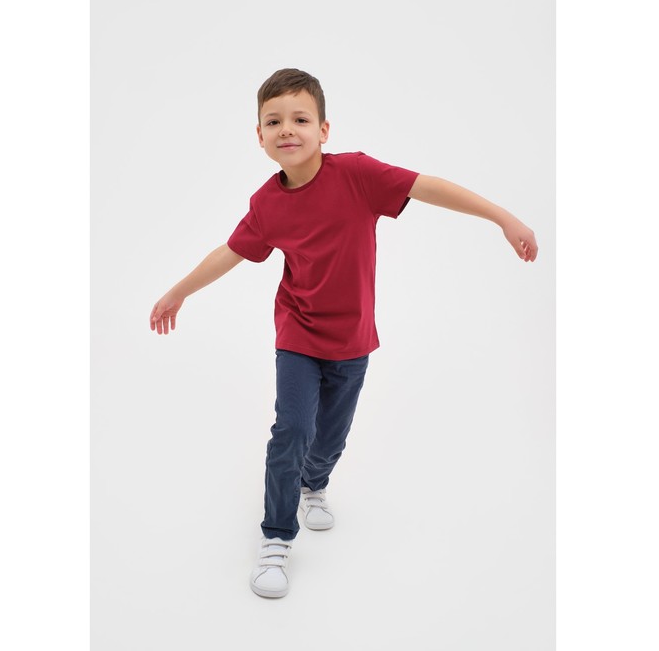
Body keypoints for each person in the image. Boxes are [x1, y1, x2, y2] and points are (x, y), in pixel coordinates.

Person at [149, 68, 538, 599]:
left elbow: (428, 186)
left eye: (300, 119)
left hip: (352, 339)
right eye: (273, 121)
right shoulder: (267, 204)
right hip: (297, 333)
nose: (287, 129)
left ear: (324, 130)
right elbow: (231, 252)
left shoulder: (356, 174)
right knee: (292, 430)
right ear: (259, 136)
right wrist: (179, 292)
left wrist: (501, 217)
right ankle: (276, 536)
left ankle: (314, 484)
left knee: (329, 439)